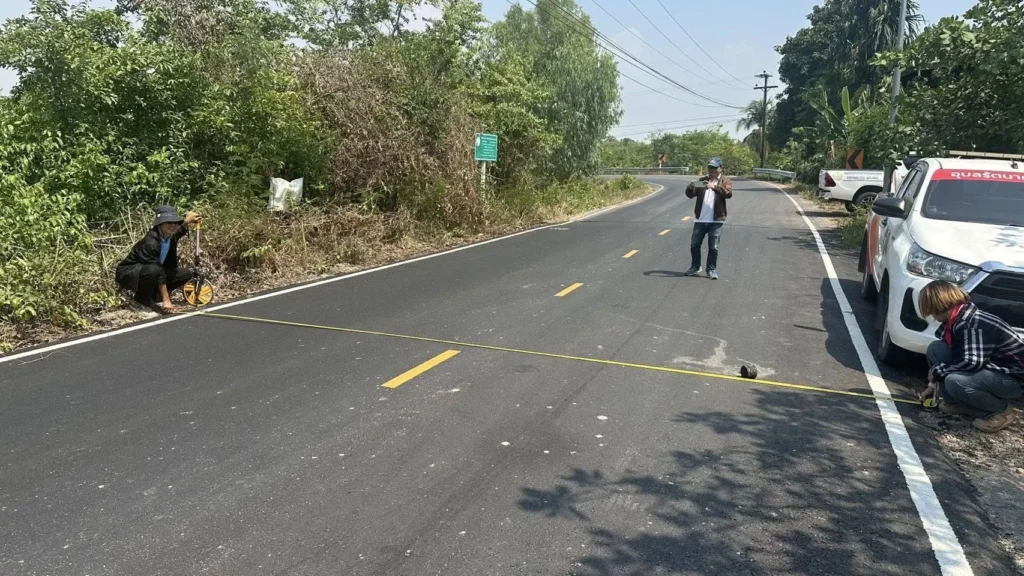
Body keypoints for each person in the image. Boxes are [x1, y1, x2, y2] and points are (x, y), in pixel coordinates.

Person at [918, 280, 1024, 433]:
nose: (931, 315)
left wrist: (938, 371)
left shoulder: (971, 323)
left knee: (954, 381)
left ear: (937, 305)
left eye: (930, 310)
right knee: (936, 349)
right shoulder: (955, 320)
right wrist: (932, 385)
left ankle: (999, 411)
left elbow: (972, 362)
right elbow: (953, 352)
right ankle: (957, 402)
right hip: (991, 368)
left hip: (1012, 378)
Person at [116, 206, 201, 314]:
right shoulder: (150, 243)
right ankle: (140, 301)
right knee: (154, 270)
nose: (173, 225)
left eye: (175, 222)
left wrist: (187, 221)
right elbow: (158, 271)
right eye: (169, 222)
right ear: (160, 224)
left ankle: (153, 297)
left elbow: (179, 231)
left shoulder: (169, 236)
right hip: (130, 273)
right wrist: (166, 299)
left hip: (153, 271)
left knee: (185, 273)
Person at [683, 157, 733, 279]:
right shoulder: (702, 181)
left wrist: (714, 187)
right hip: (701, 219)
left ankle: (711, 270)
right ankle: (695, 266)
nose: (712, 170)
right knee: (694, 245)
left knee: (713, 247)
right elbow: (690, 194)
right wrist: (691, 186)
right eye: (710, 168)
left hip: (716, 220)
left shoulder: (725, 181)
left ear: (721, 168)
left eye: (715, 168)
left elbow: (728, 194)